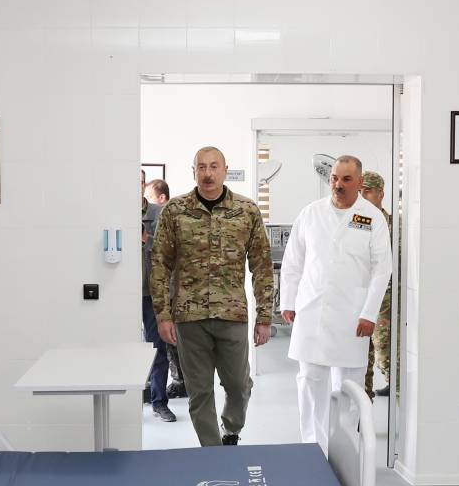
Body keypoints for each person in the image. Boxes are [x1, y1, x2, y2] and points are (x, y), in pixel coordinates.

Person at [149, 146, 273, 447]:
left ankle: (231, 430)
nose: (208, 173)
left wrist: (265, 316)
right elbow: (160, 265)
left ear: (225, 170)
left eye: (214, 166)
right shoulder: (175, 211)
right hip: (189, 317)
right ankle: (214, 452)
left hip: (232, 314)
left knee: (239, 385)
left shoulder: (246, 210)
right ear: (193, 171)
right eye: (201, 167)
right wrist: (163, 315)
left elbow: (262, 265)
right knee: (199, 392)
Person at [280, 155, 391, 454]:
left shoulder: (372, 218)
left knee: (348, 388)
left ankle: (344, 454)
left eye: (346, 179)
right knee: (309, 382)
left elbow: (382, 269)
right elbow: (293, 261)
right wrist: (288, 301)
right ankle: (312, 451)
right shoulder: (311, 213)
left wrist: (369, 313)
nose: (338, 185)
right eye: (334, 178)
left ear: (359, 181)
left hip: (352, 316)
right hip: (312, 312)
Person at [141, 174, 175, 422]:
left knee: (157, 349)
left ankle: (159, 402)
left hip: (152, 293)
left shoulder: (160, 214)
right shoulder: (114, 211)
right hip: (120, 295)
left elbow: (170, 250)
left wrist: (146, 239)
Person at [360, 171, 394, 398]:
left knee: (382, 350)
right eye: (360, 192)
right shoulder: (357, 222)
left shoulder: (392, 224)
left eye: (367, 192)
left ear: (380, 194)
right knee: (361, 356)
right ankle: (363, 401)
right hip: (359, 296)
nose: (362, 197)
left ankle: (394, 384)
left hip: (386, 300)